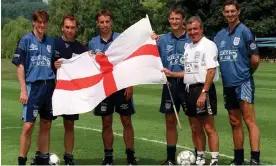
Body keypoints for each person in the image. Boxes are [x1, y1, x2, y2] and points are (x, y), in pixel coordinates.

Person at [162, 16, 220, 165]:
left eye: (195, 29)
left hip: (202, 89)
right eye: (190, 30)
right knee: (195, 127)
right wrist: (172, 74)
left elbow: (211, 71)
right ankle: (200, 157)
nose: (192, 32)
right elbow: (188, 72)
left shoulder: (208, 45)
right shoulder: (189, 47)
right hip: (189, 89)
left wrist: (204, 92)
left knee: (208, 126)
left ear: (201, 29)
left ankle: (214, 159)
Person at [152, 7, 204, 165]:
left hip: (189, 85)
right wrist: (151, 39)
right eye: (172, 19)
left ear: (183, 20)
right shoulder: (162, 40)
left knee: (194, 124)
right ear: (169, 20)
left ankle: (199, 157)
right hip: (169, 86)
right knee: (170, 122)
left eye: (177, 19)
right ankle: (170, 158)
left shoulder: (191, 38)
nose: (174, 22)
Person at [214, 0, 261, 165]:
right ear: (223, 13)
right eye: (227, 11)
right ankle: (238, 159)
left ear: (238, 11)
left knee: (249, 120)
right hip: (228, 85)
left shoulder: (245, 32)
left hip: (243, 83)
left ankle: (254, 158)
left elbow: (255, 59)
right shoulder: (219, 35)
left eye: (233, 11)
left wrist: (247, 74)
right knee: (234, 121)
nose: (230, 14)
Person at [88, 9, 137, 165]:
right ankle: (108, 157)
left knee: (126, 121)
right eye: (101, 22)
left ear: (111, 22)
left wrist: (130, 84)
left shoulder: (120, 39)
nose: (104, 25)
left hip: (121, 86)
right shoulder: (93, 42)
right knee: (106, 122)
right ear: (98, 24)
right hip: (103, 88)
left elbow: (129, 62)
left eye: (107, 21)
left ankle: (130, 156)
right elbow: (91, 66)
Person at [12, 10, 57, 165]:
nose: (42, 25)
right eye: (39, 22)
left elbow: (53, 64)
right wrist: (23, 89)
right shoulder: (26, 40)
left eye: (44, 22)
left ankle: (43, 159)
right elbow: (19, 65)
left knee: (46, 123)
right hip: (33, 87)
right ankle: (22, 160)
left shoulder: (51, 41)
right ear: (34, 22)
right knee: (29, 124)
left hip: (49, 87)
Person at [54, 14, 87, 165]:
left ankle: (68, 158)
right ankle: (41, 156)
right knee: (46, 123)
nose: (69, 30)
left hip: (71, 93)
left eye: (72, 27)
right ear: (62, 27)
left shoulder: (80, 48)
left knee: (69, 124)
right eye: (67, 27)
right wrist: (53, 66)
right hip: (52, 91)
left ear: (76, 29)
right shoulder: (53, 44)